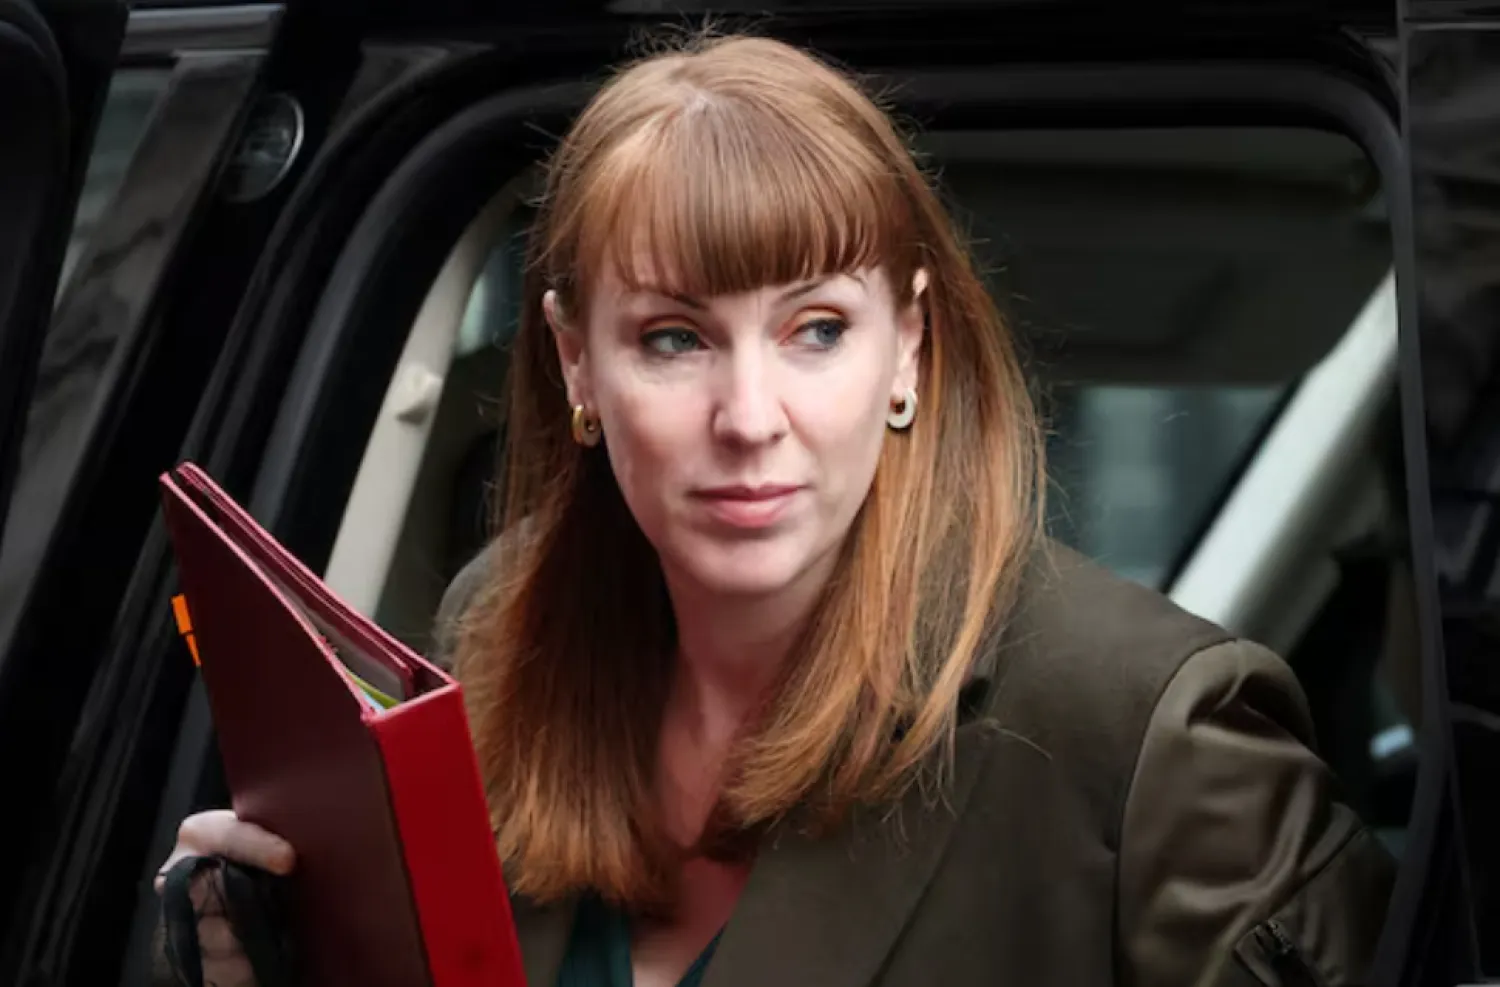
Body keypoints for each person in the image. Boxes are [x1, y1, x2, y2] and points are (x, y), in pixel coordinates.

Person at [156, 31, 1396, 987]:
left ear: (908, 347)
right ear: (576, 364)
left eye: (815, 331)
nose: (751, 416)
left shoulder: (1152, 739)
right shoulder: (497, 628)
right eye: (675, 338)